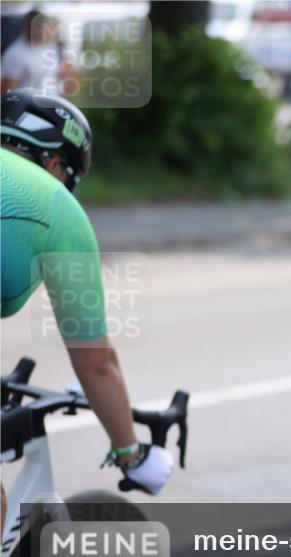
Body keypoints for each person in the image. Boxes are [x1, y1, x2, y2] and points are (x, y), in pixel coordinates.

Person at [1, 89, 173, 528]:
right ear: (56, 163)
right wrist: (131, 454)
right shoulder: (55, 204)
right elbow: (95, 361)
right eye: (70, 179)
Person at [0, 10, 67, 94]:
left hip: (54, 102)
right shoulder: (15, 54)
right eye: (39, 26)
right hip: (31, 105)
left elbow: (61, 72)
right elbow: (7, 93)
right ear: (28, 27)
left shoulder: (51, 45)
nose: (45, 30)